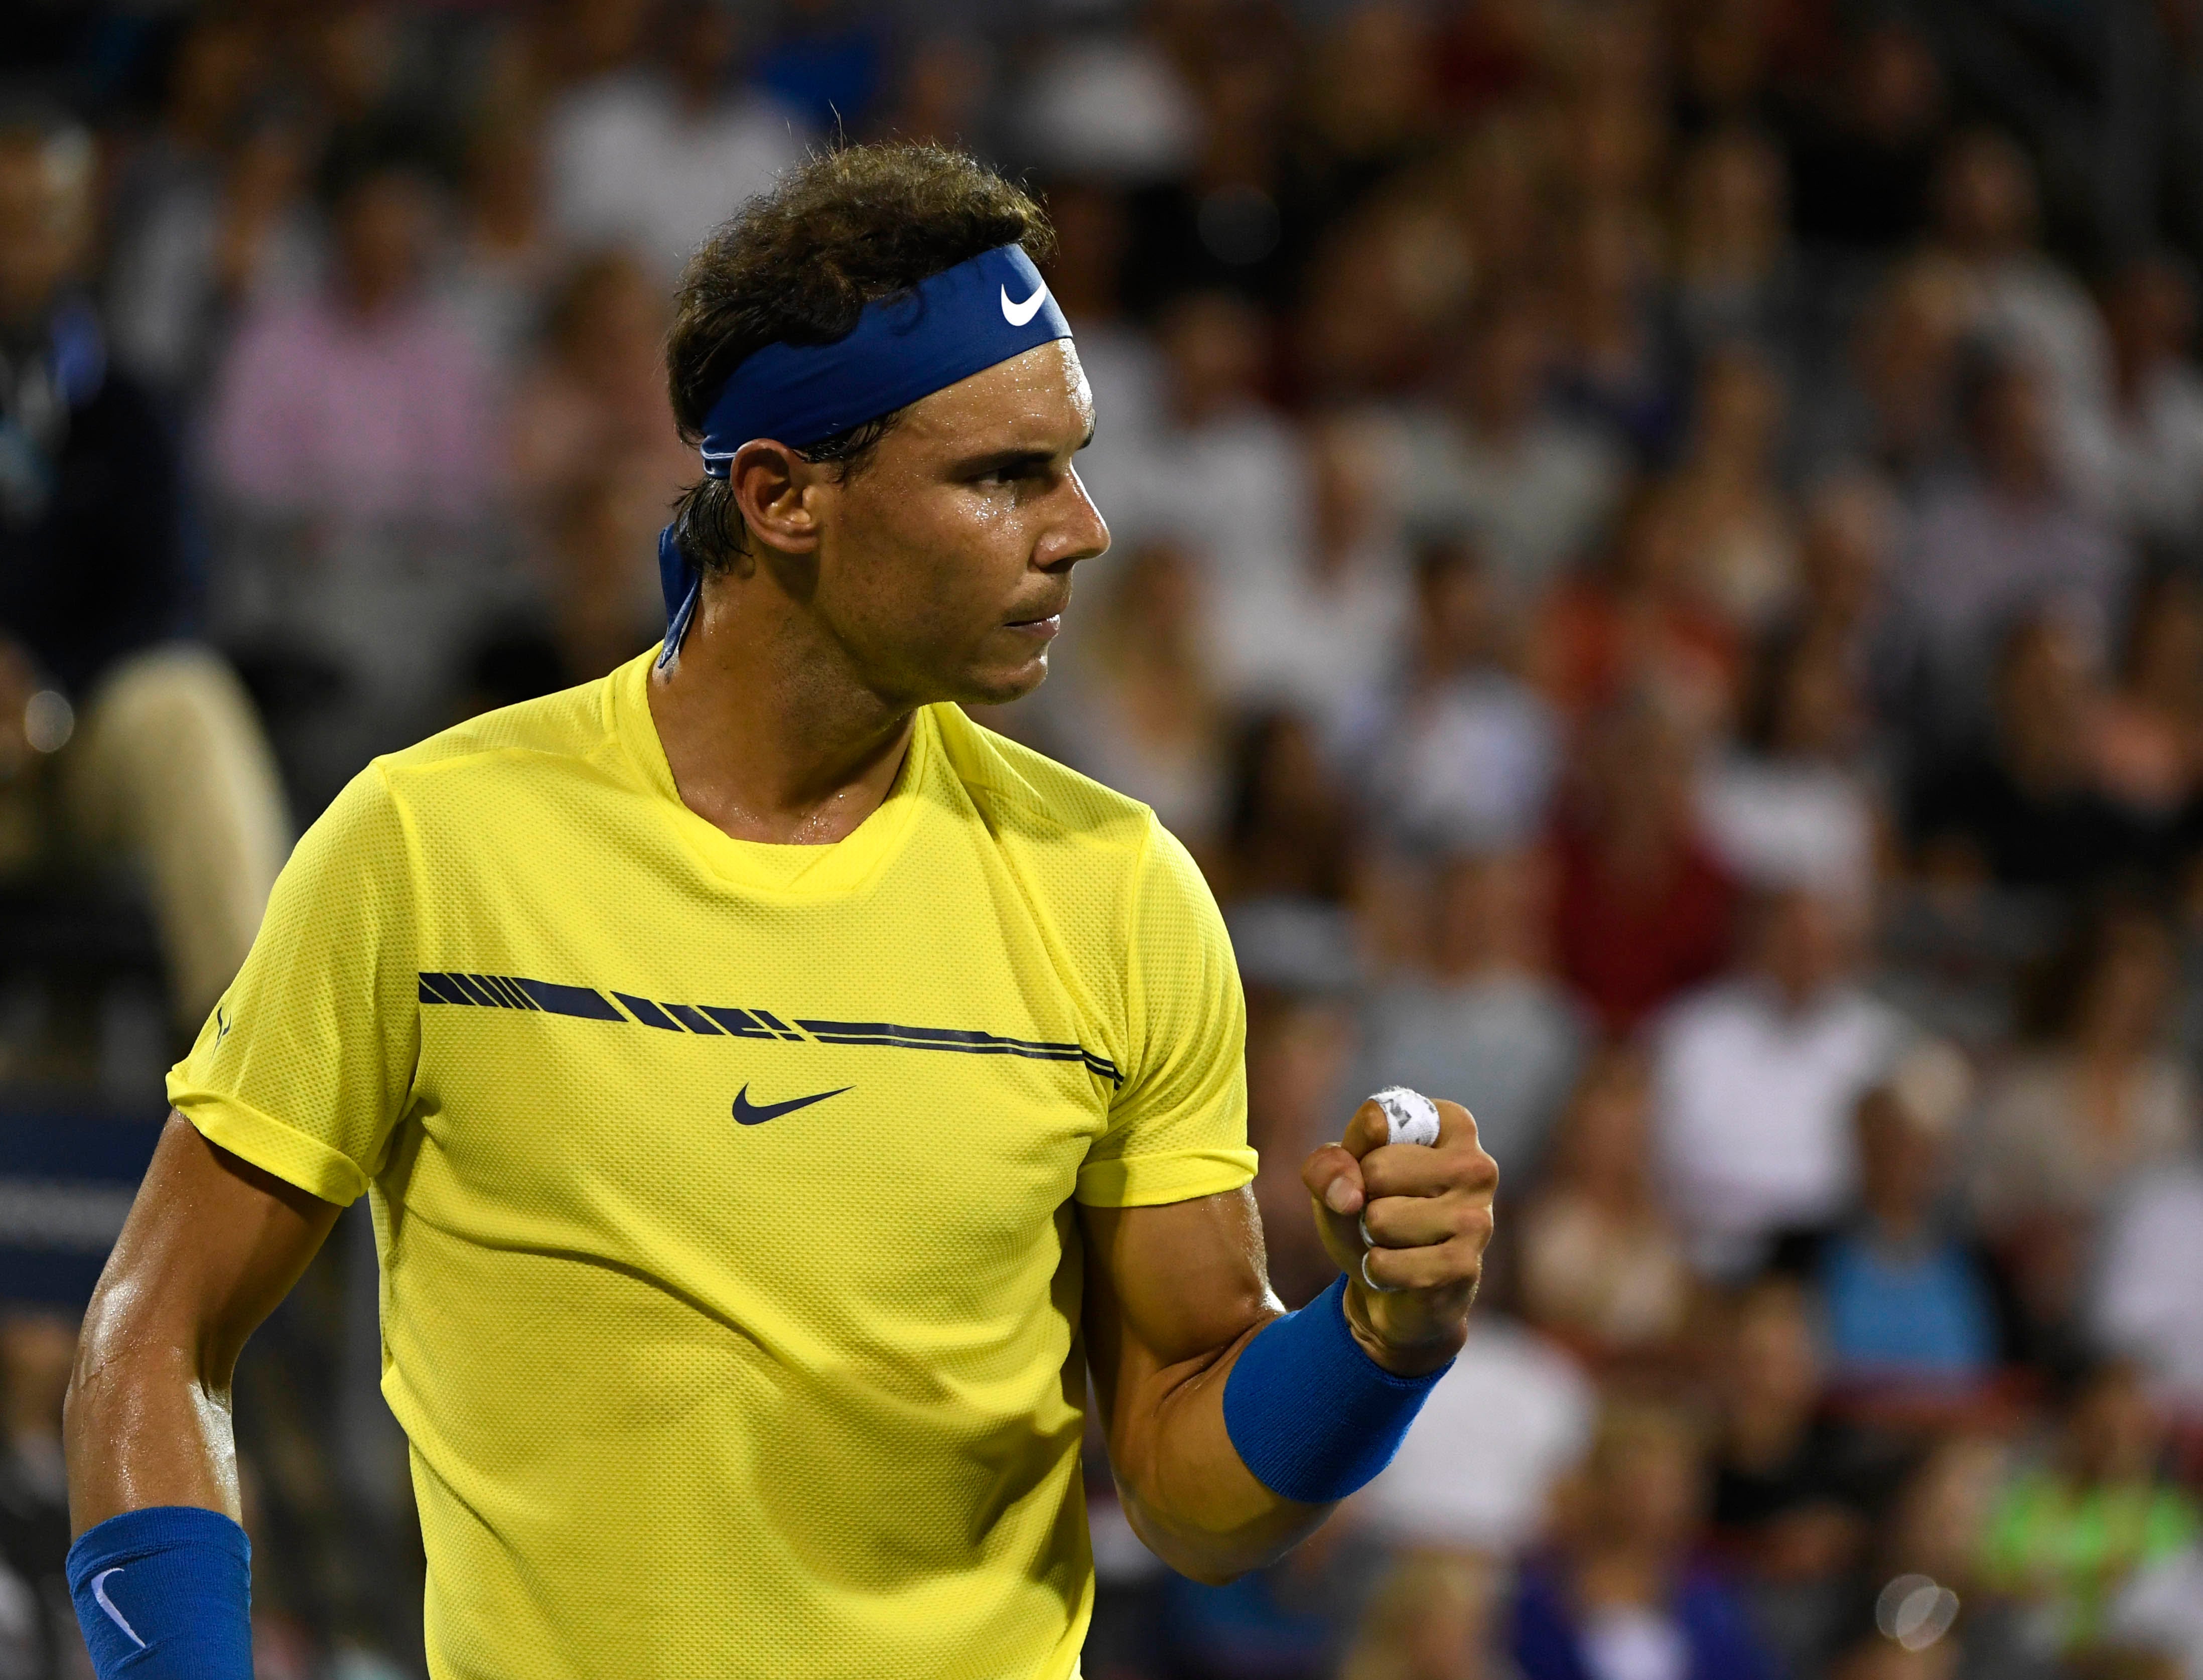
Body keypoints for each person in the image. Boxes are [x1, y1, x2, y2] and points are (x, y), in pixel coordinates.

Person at [61, 145, 1500, 1680]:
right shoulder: (429, 845)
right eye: (1001, 474)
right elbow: (152, 1336)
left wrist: (1377, 1339)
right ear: (780, 496)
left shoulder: (1121, 890)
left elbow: (1181, 1466)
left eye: (1069, 462)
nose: (1080, 526)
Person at [0, 105, 289, 1030]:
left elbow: (168, 597)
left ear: (79, 228)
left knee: (186, 703)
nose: (14, 245)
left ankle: (260, 1071)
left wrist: (42, 700)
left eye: (37, 218)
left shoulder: (126, 407)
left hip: (72, 750)